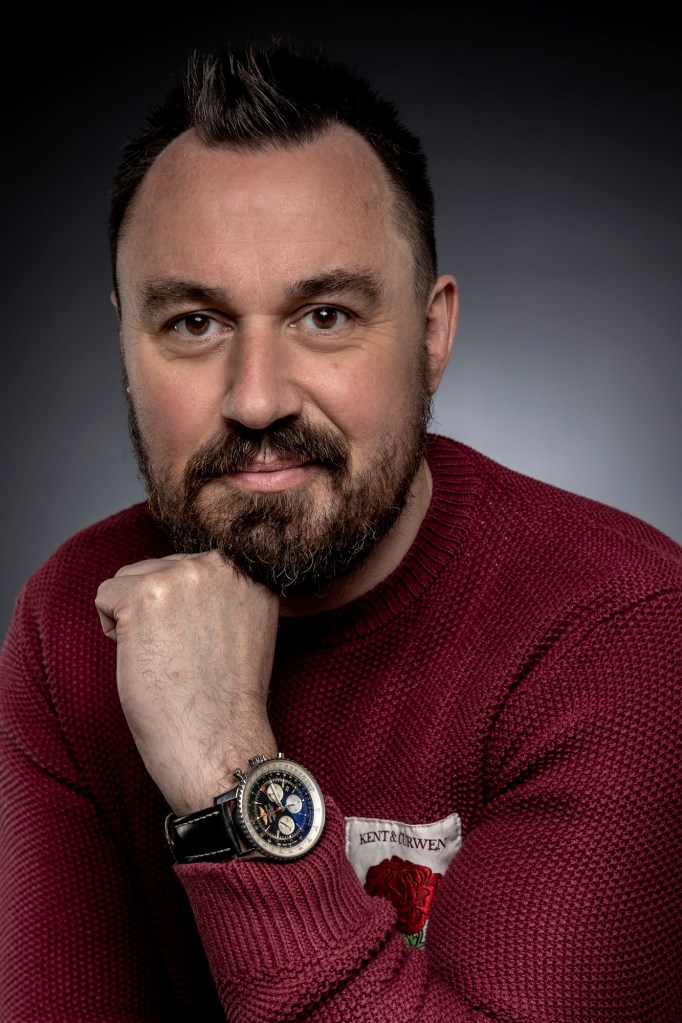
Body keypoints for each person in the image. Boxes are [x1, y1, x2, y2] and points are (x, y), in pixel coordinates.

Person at [1, 39, 680, 1023]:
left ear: (432, 334)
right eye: (194, 323)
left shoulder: (623, 635)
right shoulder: (74, 618)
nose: (256, 398)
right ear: (124, 340)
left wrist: (226, 771)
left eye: (324, 315)